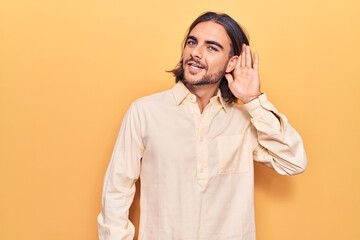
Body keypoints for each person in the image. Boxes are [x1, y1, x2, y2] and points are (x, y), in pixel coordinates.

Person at [97, 11, 307, 240]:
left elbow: (293, 161)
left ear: (232, 62)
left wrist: (253, 101)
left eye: (211, 47)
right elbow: (116, 190)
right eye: (192, 42)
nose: (195, 53)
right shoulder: (145, 112)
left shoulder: (246, 120)